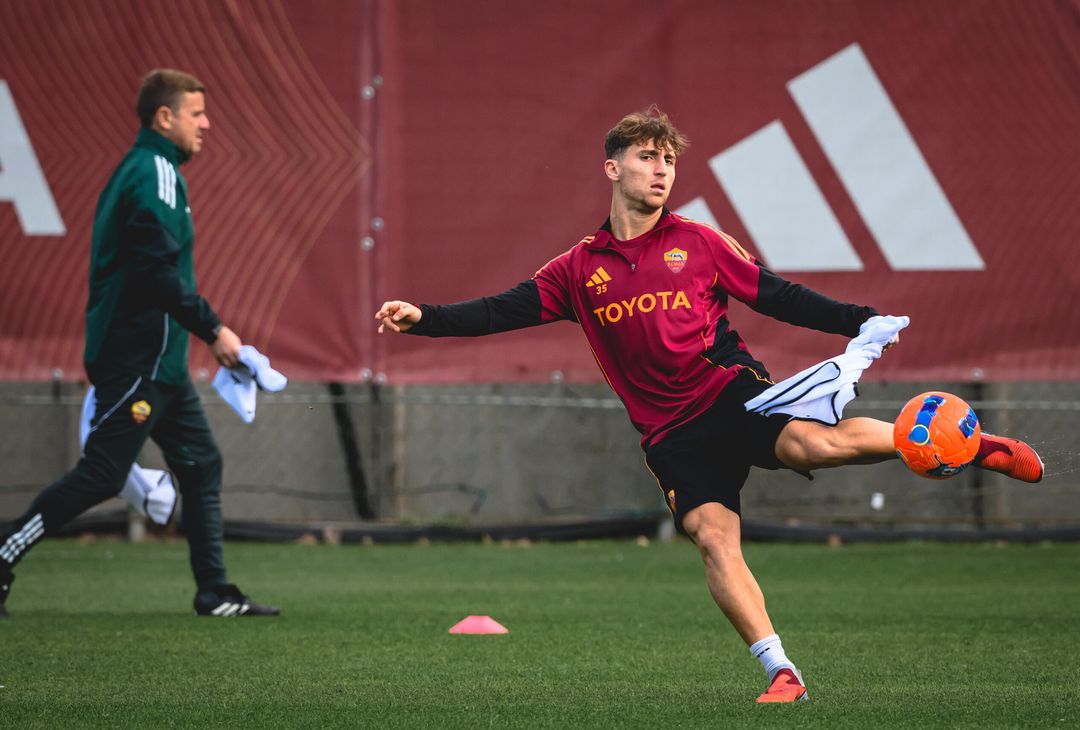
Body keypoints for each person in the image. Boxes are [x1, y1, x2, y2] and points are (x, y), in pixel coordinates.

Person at [374, 107, 1044, 702]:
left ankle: (966, 445)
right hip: (668, 433)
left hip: (729, 392)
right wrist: (422, 317)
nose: (661, 170)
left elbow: (775, 294)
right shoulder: (578, 269)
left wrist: (859, 320)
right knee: (713, 539)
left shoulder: (697, 242)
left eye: (669, 159)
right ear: (613, 168)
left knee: (811, 444)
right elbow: (498, 311)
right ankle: (782, 671)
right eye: (646, 157)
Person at [0, 69, 278, 618]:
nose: (207, 123)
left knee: (201, 464)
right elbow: (155, 271)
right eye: (196, 113)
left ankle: (214, 592)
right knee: (103, 473)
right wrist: (216, 331)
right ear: (164, 118)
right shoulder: (154, 171)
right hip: (138, 359)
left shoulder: (155, 171)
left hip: (163, 365)